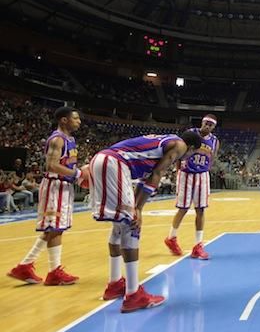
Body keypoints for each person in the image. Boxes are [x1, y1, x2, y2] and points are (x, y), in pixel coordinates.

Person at [89, 131, 201, 313]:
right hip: (114, 163)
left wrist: (136, 205)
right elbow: (158, 173)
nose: (187, 158)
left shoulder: (162, 144)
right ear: (191, 148)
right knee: (132, 224)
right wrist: (138, 209)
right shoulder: (179, 146)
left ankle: (115, 283)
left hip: (104, 160)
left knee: (120, 223)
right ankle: (133, 295)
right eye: (192, 154)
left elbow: (146, 180)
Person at [7, 107, 85, 285]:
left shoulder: (70, 139)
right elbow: (51, 165)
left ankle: (24, 266)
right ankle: (54, 272)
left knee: (53, 228)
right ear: (64, 120)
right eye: (75, 118)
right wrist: (78, 175)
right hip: (54, 186)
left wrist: (76, 176)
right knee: (56, 228)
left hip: (63, 186)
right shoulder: (58, 139)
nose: (79, 121)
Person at [165, 115, 220, 259]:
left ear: (214, 127)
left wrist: (205, 168)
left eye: (211, 125)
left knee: (200, 210)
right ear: (202, 122)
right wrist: (178, 170)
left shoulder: (214, 141)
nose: (207, 126)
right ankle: (172, 237)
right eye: (206, 123)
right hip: (186, 174)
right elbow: (178, 152)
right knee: (183, 208)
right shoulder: (190, 134)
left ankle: (198, 245)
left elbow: (212, 158)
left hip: (202, 175)